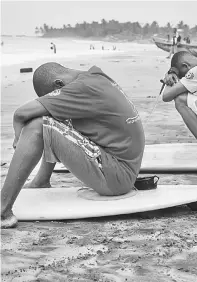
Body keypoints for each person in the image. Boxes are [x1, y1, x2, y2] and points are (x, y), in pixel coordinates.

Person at [1, 62, 145, 228]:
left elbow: (20, 114)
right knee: (54, 116)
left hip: (116, 176)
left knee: (37, 125)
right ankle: (41, 181)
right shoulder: (95, 78)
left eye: (54, 94)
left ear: (58, 85)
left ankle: (2, 210)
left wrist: (18, 139)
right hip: (122, 170)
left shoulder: (82, 88)